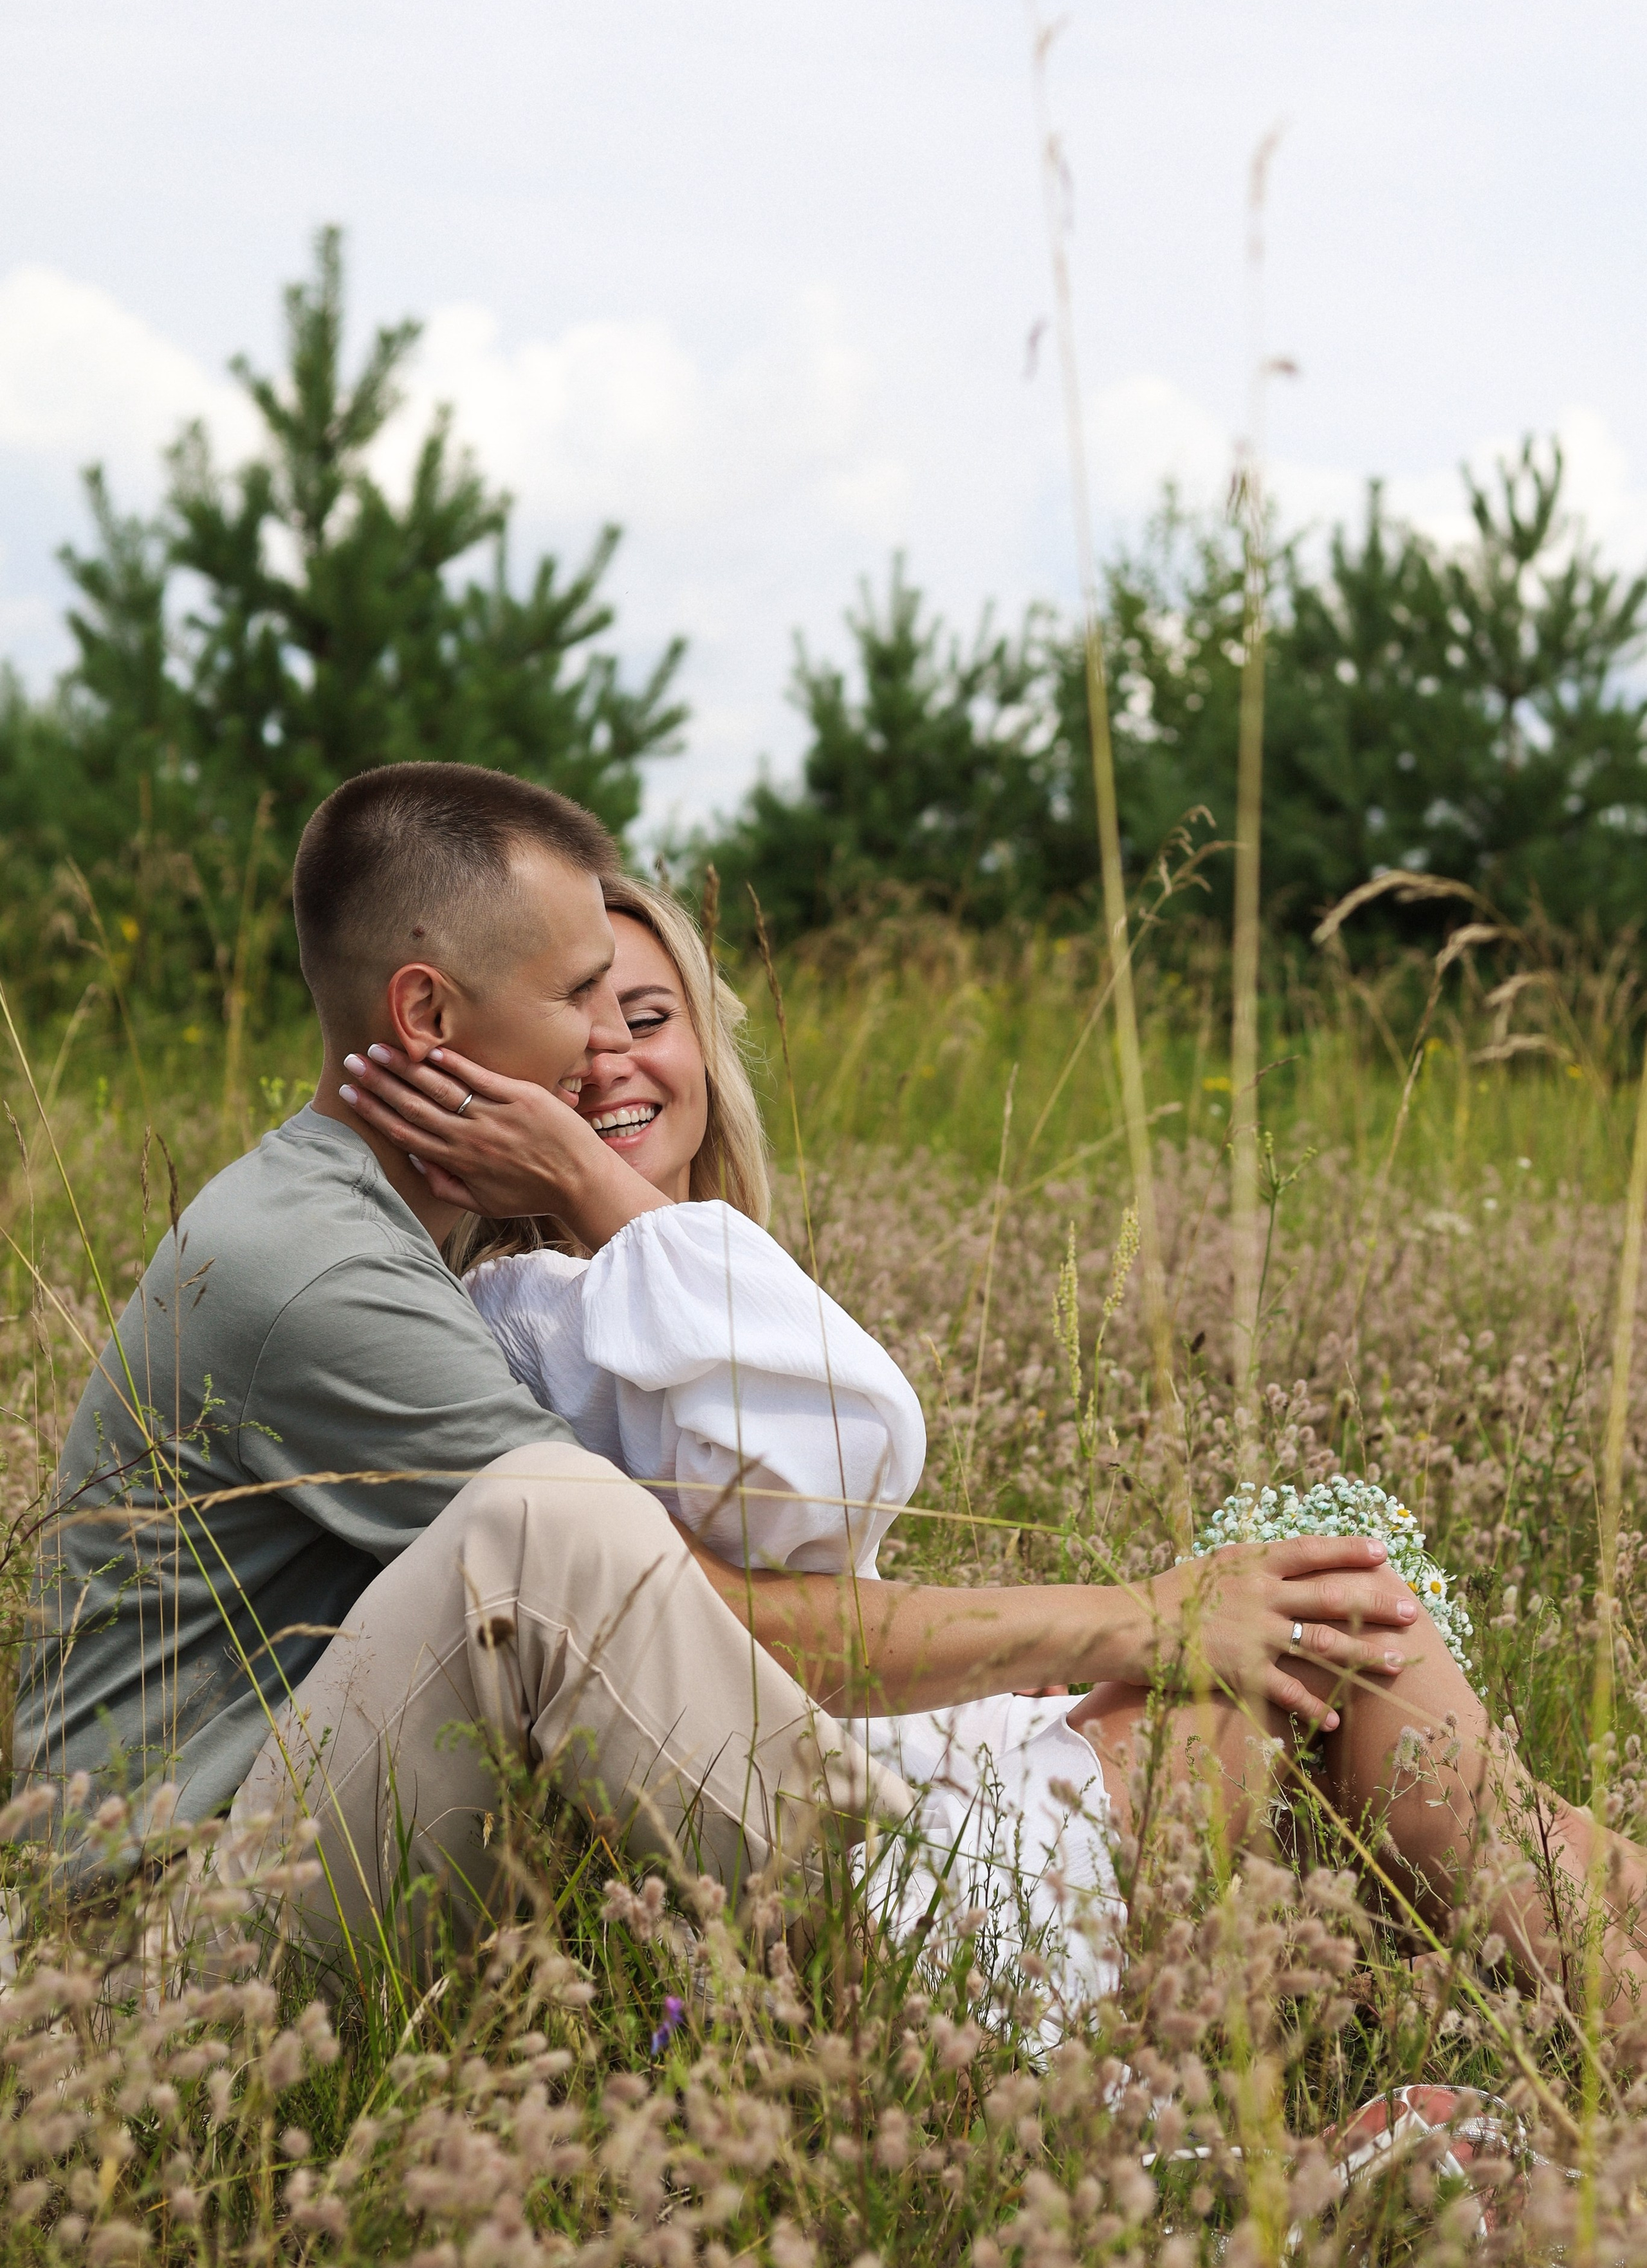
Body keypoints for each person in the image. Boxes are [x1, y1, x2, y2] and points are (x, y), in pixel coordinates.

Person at [12, 762, 1594, 2005]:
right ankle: (963, 1987)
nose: (609, 1053)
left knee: (1321, 1564)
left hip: (421, 1819)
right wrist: (1137, 1614)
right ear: (429, 1016)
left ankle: (1588, 2006)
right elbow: (695, 1613)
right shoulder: (335, 1272)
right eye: (579, 1001)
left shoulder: (470, 1257)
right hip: (166, 1952)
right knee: (553, 1528)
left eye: (647, 1010)